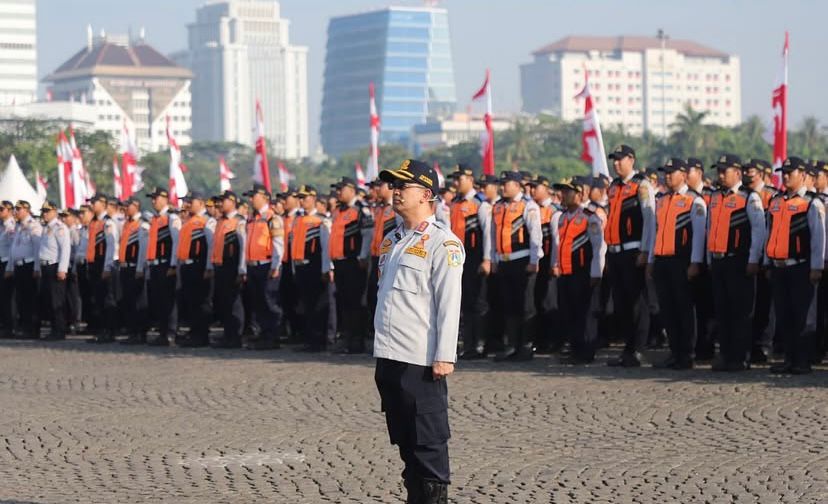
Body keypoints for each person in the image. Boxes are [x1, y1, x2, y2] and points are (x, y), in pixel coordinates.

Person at [373, 159, 464, 504]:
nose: (394, 192)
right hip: (390, 356)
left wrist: (444, 356)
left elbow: (449, 302)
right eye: (392, 186)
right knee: (406, 443)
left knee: (428, 445)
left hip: (421, 359)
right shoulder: (391, 240)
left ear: (427, 194)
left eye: (402, 186)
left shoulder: (443, 243)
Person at [766, 157, 825, 374]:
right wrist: (767, 262)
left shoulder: (811, 203)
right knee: (784, 315)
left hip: (801, 266)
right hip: (779, 266)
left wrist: (817, 267)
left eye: (790, 172)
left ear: (803, 175)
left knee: (803, 316)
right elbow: (769, 233)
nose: (786, 176)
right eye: (784, 172)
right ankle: (790, 358)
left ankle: (803, 360)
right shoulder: (776, 201)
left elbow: (819, 238)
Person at [707, 155, 765, 371]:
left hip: (739, 261)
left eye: (725, 171)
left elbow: (759, 231)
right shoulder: (715, 197)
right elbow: (710, 229)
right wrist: (708, 257)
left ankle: (740, 357)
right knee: (722, 311)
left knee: (740, 312)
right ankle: (726, 354)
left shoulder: (749, 198)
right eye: (718, 171)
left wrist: (753, 259)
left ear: (738, 173)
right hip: (719, 260)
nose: (720, 175)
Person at [647, 159, 707, 369]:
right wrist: (651, 260)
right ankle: (674, 351)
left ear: (683, 174)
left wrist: (695, 262)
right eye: (666, 173)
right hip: (662, 260)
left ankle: (687, 353)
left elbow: (699, 235)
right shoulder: (661, 200)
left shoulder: (694, 200)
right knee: (668, 309)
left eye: (672, 173)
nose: (668, 176)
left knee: (684, 308)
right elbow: (655, 231)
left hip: (682, 261)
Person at [604, 145, 656, 367]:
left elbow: (649, 221)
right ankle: (627, 348)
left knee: (637, 303)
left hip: (633, 251)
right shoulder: (614, 186)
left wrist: (646, 251)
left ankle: (639, 349)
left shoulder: (641, 185)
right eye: (614, 160)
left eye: (620, 159)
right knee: (621, 303)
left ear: (631, 160)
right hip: (615, 251)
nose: (616, 163)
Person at [550, 178, 605, 363]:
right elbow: (559, 246)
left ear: (579, 194)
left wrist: (596, 273)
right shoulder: (562, 218)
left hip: (583, 273)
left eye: (568, 192)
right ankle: (575, 349)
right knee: (569, 313)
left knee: (585, 313)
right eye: (562, 192)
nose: (563, 195)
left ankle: (586, 351)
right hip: (566, 272)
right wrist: (556, 265)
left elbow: (598, 247)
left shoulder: (590, 217)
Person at [491, 170, 543, 361]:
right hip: (504, 261)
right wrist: (493, 258)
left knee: (526, 305)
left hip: (522, 261)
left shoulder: (528, 206)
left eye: (506, 183)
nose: (502, 186)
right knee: (509, 305)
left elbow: (536, 235)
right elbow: (492, 235)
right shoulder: (497, 207)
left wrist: (534, 260)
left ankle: (527, 345)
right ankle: (512, 345)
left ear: (517, 185)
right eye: (501, 183)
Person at [329, 177, 374, 353]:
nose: (338, 193)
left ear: (351, 190)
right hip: (339, 261)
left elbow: (367, 234)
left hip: (354, 262)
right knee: (344, 302)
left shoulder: (361, 209)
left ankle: (358, 340)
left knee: (356, 302)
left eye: (341, 189)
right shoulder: (338, 211)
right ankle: (347, 338)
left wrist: (363, 256)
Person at [450, 164, 490, 359]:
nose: (455, 182)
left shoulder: (480, 203)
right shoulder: (454, 203)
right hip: (457, 260)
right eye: (454, 179)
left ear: (470, 180)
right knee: (463, 303)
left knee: (477, 303)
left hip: (475, 258)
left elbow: (488, 234)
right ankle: (468, 344)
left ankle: (478, 344)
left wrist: (487, 259)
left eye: (459, 179)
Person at [743, 159, 779, 363]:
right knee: (749, 304)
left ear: (764, 174)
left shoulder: (771, 196)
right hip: (747, 254)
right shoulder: (744, 195)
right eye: (746, 171)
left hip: (767, 255)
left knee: (766, 303)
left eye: (752, 171)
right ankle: (750, 342)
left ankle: (764, 345)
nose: (748, 174)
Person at [243, 184, 284, 350]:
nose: (251, 199)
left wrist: (276, 265)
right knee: (258, 302)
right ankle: (263, 335)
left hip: (267, 265)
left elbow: (278, 244)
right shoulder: (252, 218)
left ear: (265, 198)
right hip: (253, 265)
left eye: (254, 196)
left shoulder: (272, 218)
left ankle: (273, 336)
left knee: (270, 303)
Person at [291, 185, 332, 352]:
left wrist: (325, 269)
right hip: (301, 267)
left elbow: (325, 247)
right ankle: (309, 339)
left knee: (317, 305)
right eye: (300, 198)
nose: (301, 201)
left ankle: (319, 340)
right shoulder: (297, 219)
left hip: (314, 267)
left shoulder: (321, 220)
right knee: (306, 305)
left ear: (314, 199)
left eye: (305, 198)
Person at [176, 192, 214, 347]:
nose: (186, 204)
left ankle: (202, 335)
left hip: (199, 266)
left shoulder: (207, 221)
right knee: (191, 302)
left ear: (200, 202)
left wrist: (208, 267)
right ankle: (194, 332)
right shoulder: (189, 221)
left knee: (201, 302)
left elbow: (211, 246)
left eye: (190, 201)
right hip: (187, 266)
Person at [210, 191, 247, 348]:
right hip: (220, 266)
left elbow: (243, 248)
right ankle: (227, 334)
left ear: (232, 202)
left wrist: (241, 269)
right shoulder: (221, 221)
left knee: (234, 303)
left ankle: (235, 336)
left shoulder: (238, 221)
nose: (220, 204)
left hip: (232, 267)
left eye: (223, 201)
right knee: (223, 302)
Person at [145, 188, 181, 346]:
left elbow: (176, 243)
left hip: (167, 264)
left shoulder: (171, 218)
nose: (153, 201)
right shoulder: (155, 219)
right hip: (155, 264)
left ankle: (170, 333)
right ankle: (162, 332)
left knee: (168, 300)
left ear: (165, 199)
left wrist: (173, 264)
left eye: (156, 198)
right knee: (159, 300)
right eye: (152, 198)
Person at [85, 194, 120, 343]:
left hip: (103, 264)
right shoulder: (94, 222)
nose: (92, 205)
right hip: (94, 263)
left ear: (103, 204)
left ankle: (109, 331)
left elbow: (111, 247)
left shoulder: (107, 222)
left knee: (107, 299)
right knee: (97, 299)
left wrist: (107, 266)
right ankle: (101, 330)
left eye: (94, 202)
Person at [528, 175, 556, 353]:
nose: (531, 191)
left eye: (535, 187)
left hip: (549, 262)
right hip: (537, 261)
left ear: (545, 188)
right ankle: (539, 339)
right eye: (530, 187)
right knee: (536, 300)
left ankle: (550, 340)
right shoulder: (532, 209)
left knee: (549, 302)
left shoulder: (553, 211)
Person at [36, 201, 71, 340]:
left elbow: (65, 249)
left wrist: (62, 269)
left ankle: (60, 330)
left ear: (55, 212)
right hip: (46, 267)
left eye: (47, 211)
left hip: (55, 266)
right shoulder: (46, 228)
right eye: (43, 211)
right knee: (49, 300)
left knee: (57, 300)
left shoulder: (59, 227)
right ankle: (54, 329)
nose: (44, 213)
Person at [7, 200, 42, 339]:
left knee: (30, 299)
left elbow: (37, 248)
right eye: (15, 209)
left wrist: (37, 267)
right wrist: (10, 267)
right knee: (21, 299)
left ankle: (33, 329)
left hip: (29, 266)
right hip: (19, 266)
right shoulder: (19, 227)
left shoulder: (34, 226)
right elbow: (13, 249)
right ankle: (25, 327)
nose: (16, 211)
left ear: (27, 210)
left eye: (19, 209)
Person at [367, 179, 398, 335]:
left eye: (380, 185)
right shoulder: (379, 209)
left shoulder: (396, 209)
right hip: (376, 257)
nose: (377, 189)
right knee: (374, 296)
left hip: (390, 258)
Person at [118, 198, 149, 344]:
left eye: (127, 206)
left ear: (136, 206)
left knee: (138, 301)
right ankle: (132, 332)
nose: (124, 209)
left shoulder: (142, 224)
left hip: (135, 267)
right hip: (125, 267)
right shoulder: (127, 224)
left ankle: (140, 333)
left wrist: (140, 268)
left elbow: (142, 249)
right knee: (128, 301)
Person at [0, 200, 15, 338]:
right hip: (1, 262)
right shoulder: (2, 226)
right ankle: (4, 325)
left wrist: (9, 267)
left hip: (6, 264)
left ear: (10, 211)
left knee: (6, 297)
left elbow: (13, 249)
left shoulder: (11, 226)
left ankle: (9, 327)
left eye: (2, 209)